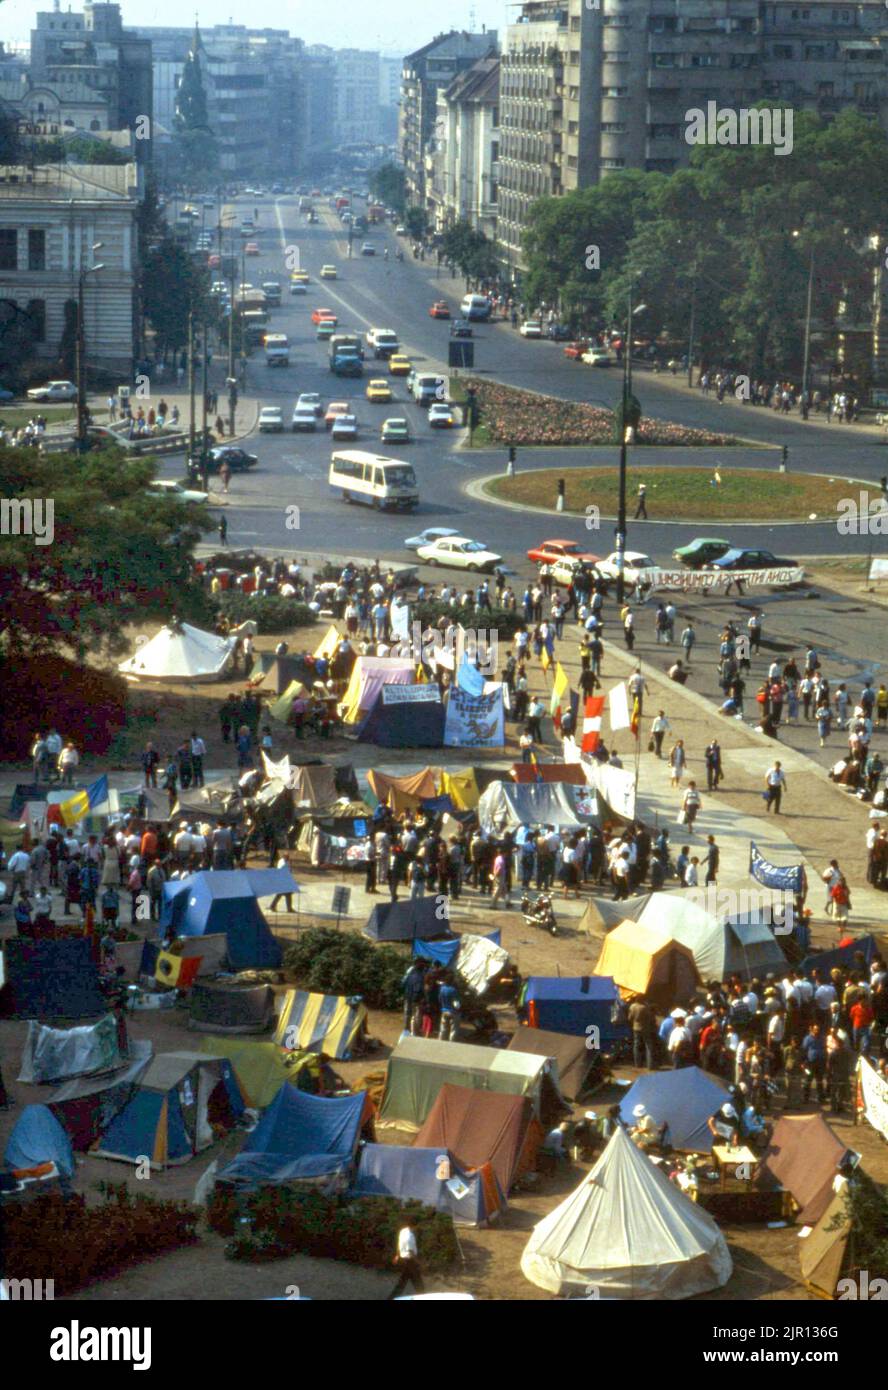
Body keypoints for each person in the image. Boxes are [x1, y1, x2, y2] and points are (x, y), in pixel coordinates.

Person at [388, 1226, 425, 1299]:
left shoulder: (403, 1231)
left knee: (401, 1284)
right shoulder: (410, 1236)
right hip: (410, 1262)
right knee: (419, 1285)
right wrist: (420, 1263)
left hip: (403, 1260)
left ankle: (391, 1298)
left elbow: (399, 1244)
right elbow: (411, 1253)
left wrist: (397, 1255)